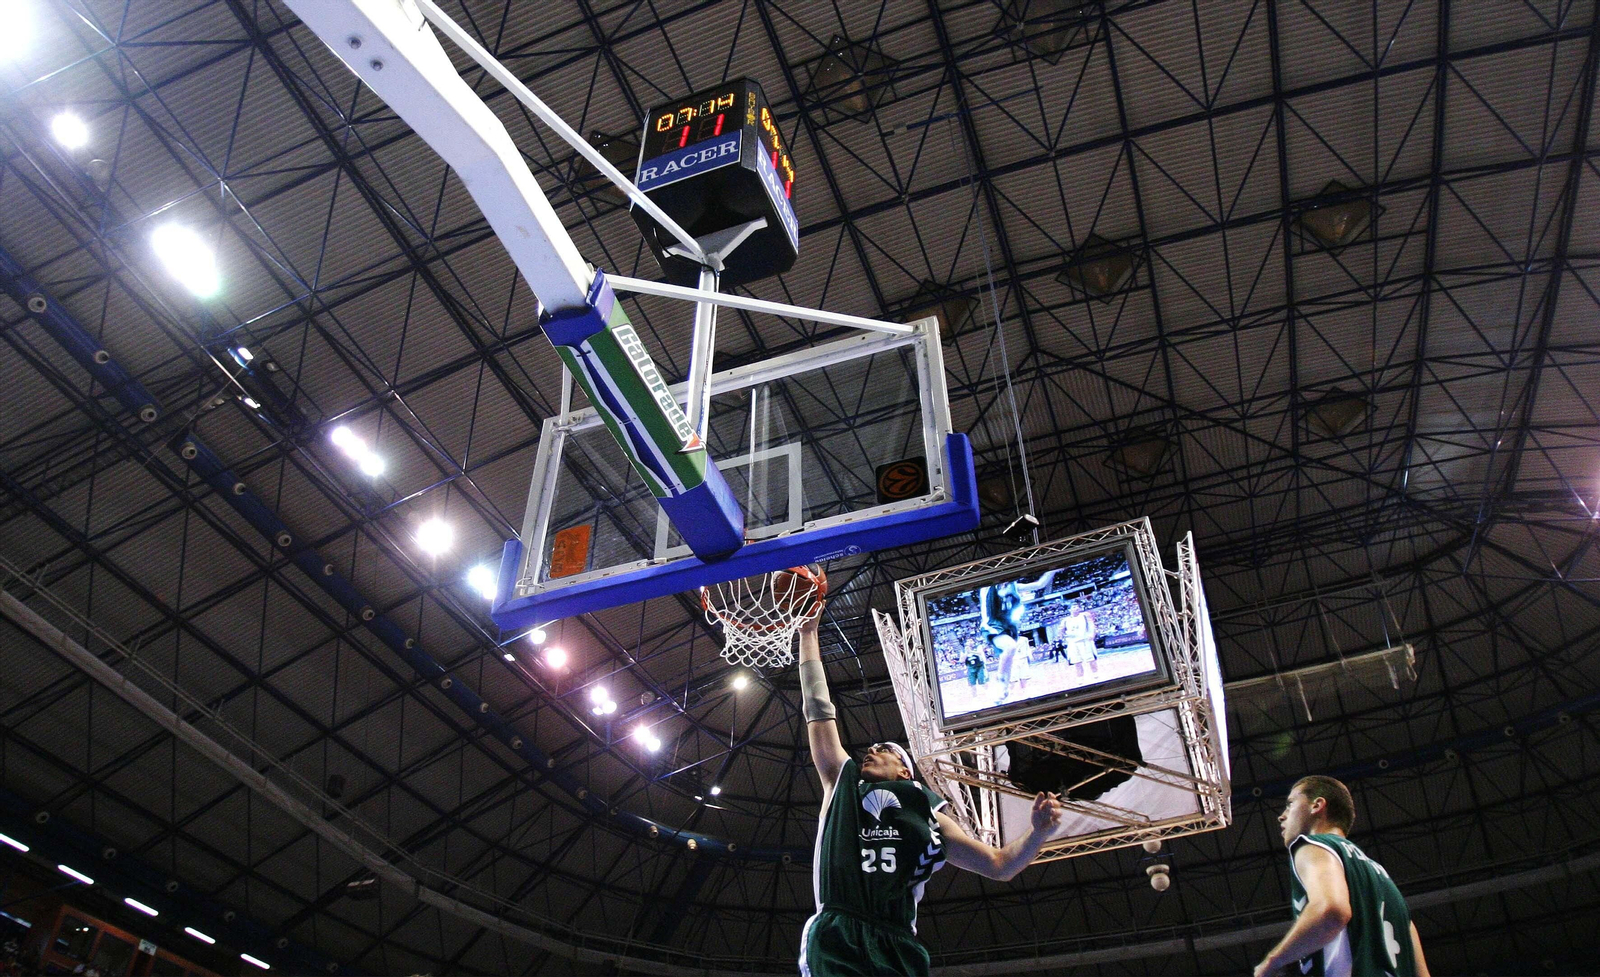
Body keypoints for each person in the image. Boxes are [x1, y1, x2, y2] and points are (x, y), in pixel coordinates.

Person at [796, 596, 1066, 977]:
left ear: (906, 772)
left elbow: (999, 865)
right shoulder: (841, 782)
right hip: (840, 933)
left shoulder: (926, 807)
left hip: (898, 943)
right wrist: (808, 633)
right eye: (871, 749)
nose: (871, 750)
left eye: (884, 750)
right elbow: (818, 708)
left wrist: (1038, 833)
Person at [1255, 776, 1431, 977]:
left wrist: (1273, 961)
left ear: (1317, 805)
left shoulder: (1313, 846)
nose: (1282, 816)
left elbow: (1331, 911)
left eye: (1290, 804)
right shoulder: (1385, 882)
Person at [1057, 601, 1098, 678]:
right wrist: (1061, 636)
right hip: (1073, 643)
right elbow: (1061, 630)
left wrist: (1092, 634)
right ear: (1070, 609)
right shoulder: (1065, 620)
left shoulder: (1085, 615)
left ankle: (1095, 675)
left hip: (1085, 640)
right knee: (1077, 662)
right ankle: (1080, 679)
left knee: (1091, 659)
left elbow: (1092, 625)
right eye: (1074, 607)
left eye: (1077, 607)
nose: (1076, 608)